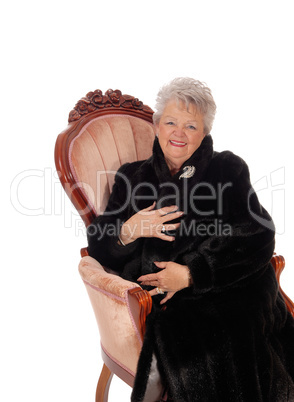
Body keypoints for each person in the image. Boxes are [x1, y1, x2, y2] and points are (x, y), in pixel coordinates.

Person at [87, 77, 294, 401]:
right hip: (163, 301)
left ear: (204, 132)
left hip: (233, 287)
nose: (178, 133)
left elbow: (258, 231)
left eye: (191, 126)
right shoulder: (132, 176)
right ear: (157, 125)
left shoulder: (227, 170)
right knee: (202, 339)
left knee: (236, 330)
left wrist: (192, 273)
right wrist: (130, 229)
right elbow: (98, 244)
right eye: (170, 122)